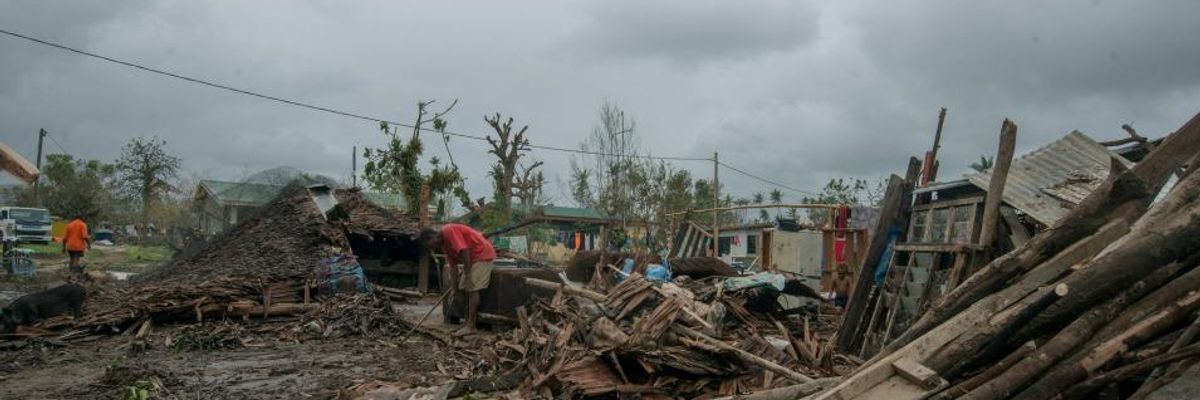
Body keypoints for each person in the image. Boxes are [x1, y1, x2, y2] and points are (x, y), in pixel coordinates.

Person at [420, 223, 495, 336]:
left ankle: (471, 326)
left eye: (430, 245)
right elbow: (453, 267)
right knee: (463, 288)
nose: (433, 249)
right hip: (472, 258)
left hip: (482, 254)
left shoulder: (448, 231)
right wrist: (454, 288)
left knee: (472, 288)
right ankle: (467, 323)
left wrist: (469, 275)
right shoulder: (445, 245)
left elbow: (465, 251)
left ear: (432, 237)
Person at [62, 214, 90, 278]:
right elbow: (85, 236)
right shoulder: (83, 224)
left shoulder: (69, 225)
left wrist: (63, 247)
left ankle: (70, 272)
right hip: (79, 246)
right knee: (76, 259)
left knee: (71, 259)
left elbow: (65, 238)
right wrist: (89, 244)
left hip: (70, 246)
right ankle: (74, 274)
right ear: (81, 218)